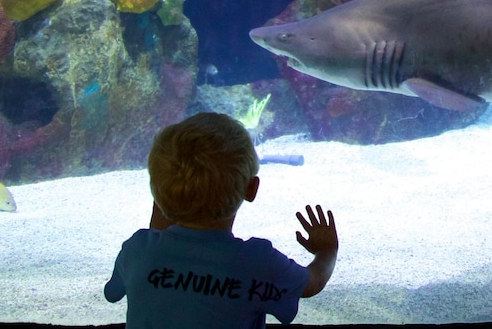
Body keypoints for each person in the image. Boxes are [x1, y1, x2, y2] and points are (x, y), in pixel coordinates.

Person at [104, 112, 338, 327]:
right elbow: (312, 282)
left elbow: (112, 293)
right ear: (251, 189)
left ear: (157, 191)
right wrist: (327, 251)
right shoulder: (257, 262)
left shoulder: (138, 251)